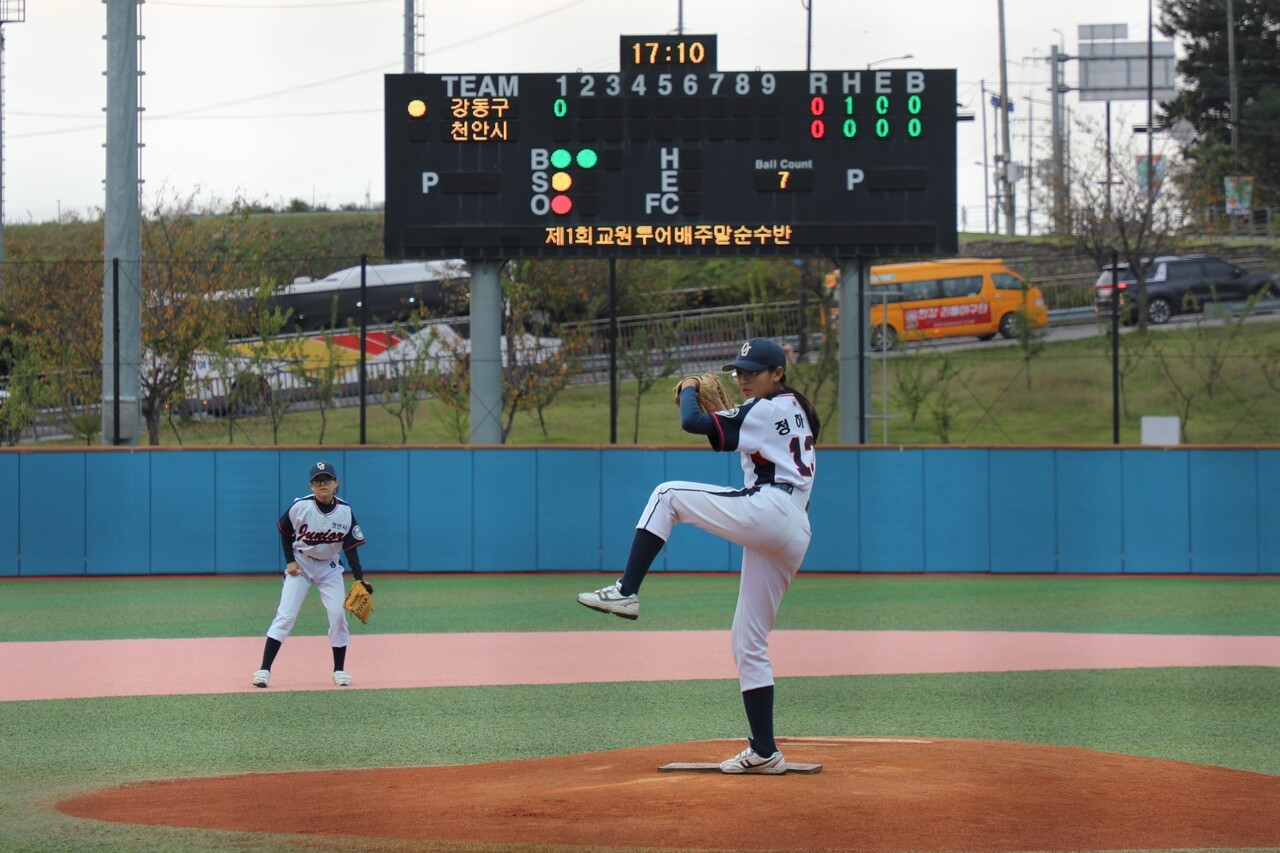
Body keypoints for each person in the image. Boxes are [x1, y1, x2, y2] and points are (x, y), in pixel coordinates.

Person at [577, 337, 818, 774]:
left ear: (777, 373)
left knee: (667, 494)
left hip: (770, 509)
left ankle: (626, 590)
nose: (743, 378)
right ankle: (765, 752)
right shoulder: (795, 408)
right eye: (739, 371)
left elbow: (691, 421)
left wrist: (689, 385)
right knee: (748, 641)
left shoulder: (763, 409)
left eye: (753, 371)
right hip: (794, 526)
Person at [252, 460, 370, 688]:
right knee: (285, 615)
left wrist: (358, 577)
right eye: (317, 481)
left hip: (330, 568)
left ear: (336, 483)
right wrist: (290, 561)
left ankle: (339, 671)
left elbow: (351, 546)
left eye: (326, 479)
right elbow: (284, 531)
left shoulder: (344, 511)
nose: (322, 483)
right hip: (302, 565)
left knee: (338, 616)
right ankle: (264, 670)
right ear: (311, 486)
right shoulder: (301, 507)